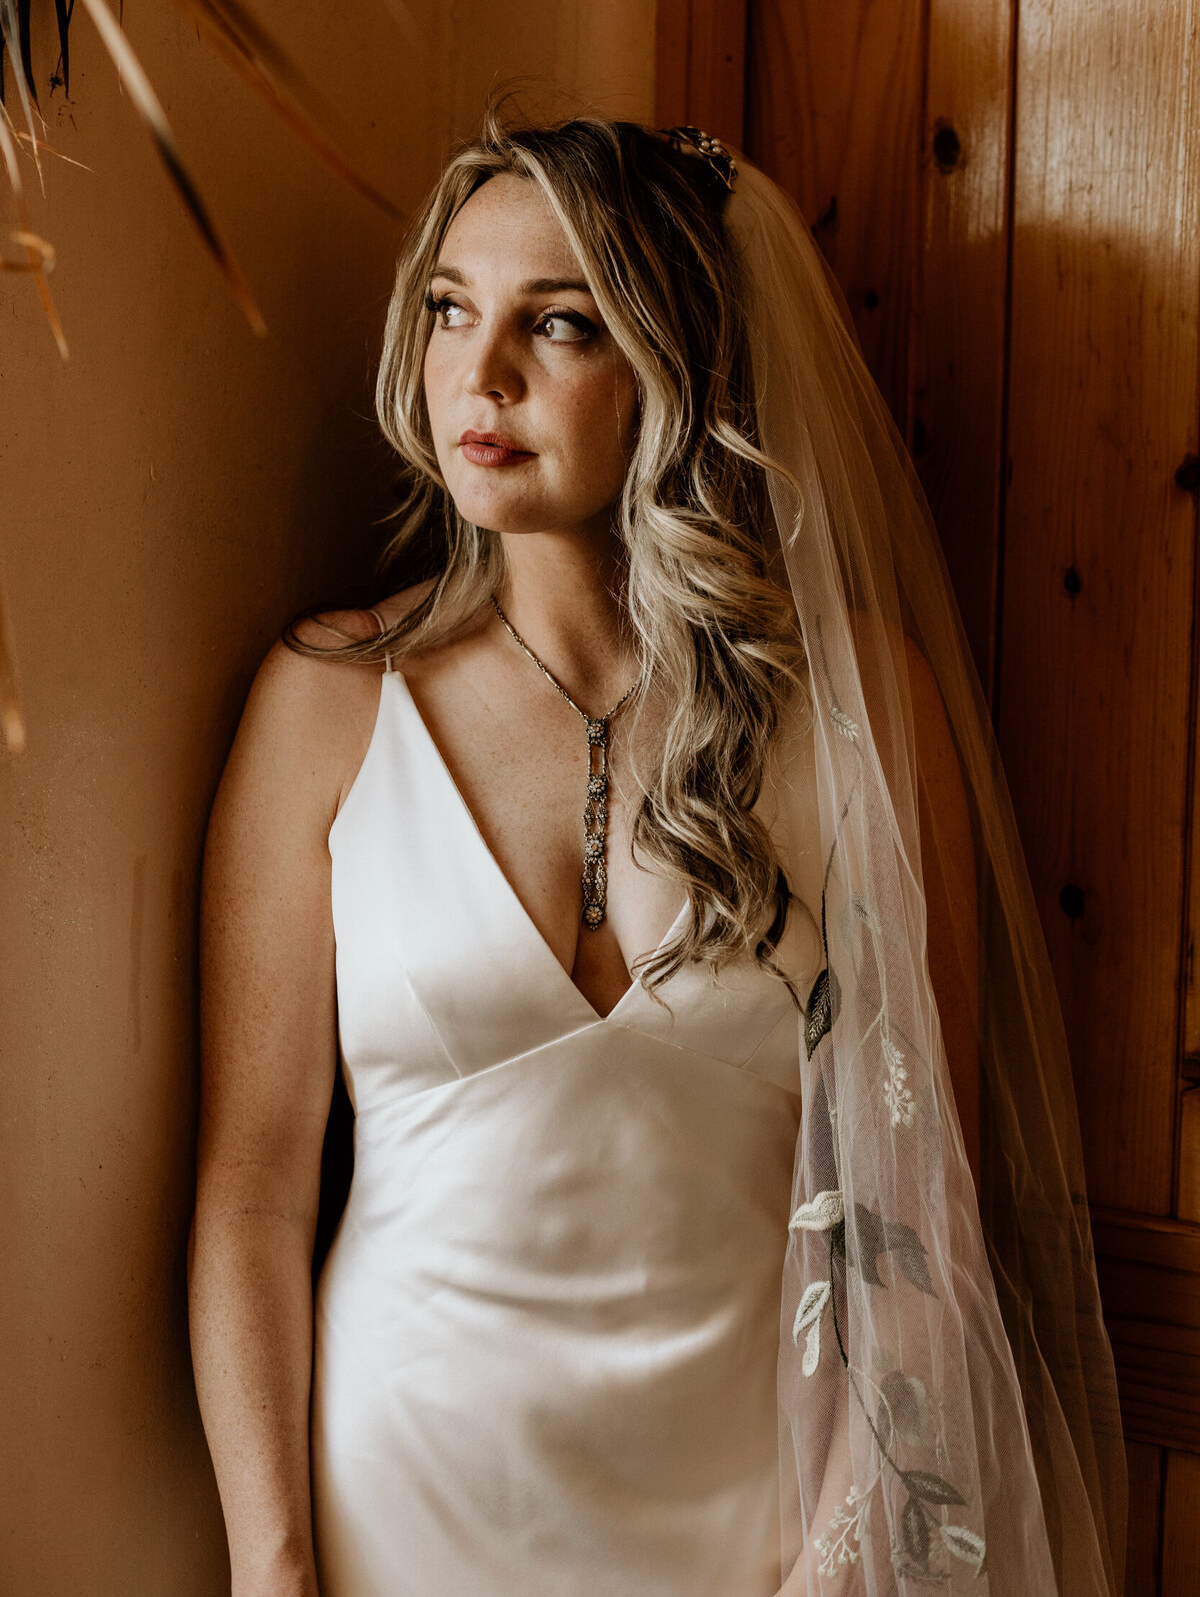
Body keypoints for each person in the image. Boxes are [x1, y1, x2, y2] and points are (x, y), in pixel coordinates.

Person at [187, 109, 1127, 1597]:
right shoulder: (326, 704)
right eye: (449, 310)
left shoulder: (859, 709)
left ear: (679, 373)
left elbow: (921, 1200)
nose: (477, 376)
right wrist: (271, 1562)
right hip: (398, 1506)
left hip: (756, 1515)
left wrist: (843, 1550)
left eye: (557, 325)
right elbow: (250, 1190)